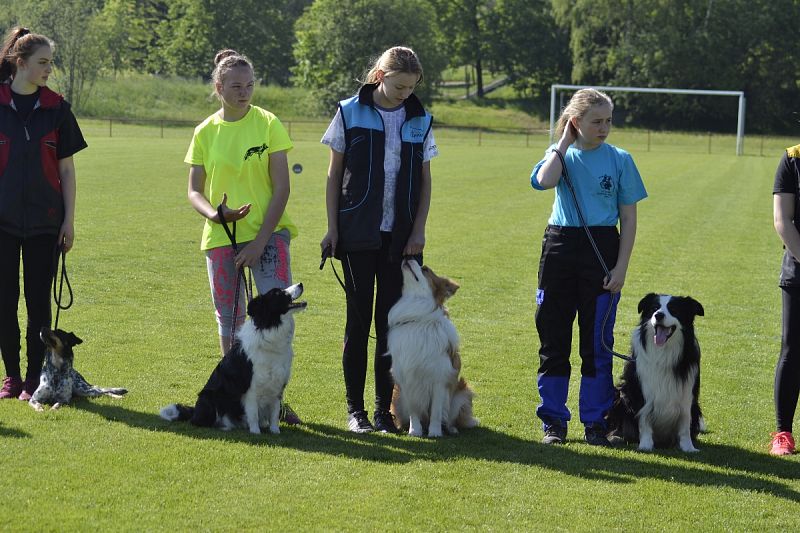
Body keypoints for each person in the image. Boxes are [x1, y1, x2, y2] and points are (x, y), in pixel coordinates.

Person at [320, 46, 438, 433]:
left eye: (411, 87)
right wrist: (333, 229)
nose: (405, 93)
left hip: (401, 239)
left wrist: (418, 230)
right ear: (379, 76)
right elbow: (334, 176)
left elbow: (424, 181)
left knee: (392, 327)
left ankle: (383, 412)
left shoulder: (421, 118)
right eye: (399, 85)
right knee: (358, 325)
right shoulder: (348, 111)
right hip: (356, 235)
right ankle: (356, 412)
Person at [185, 49, 300, 424]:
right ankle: (235, 400)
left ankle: (274, 404)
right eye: (235, 86)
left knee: (281, 317)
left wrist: (259, 243)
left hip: (269, 236)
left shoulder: (268, 124)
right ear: (219, 87)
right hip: (222, 239)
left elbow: (281, 189)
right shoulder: (204, 131)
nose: (244, 92)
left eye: (249, 85)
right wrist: (215, 215)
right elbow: (194, 191)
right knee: (231, 321)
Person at [529, 88, 647, 446]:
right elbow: (543, 181)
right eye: (596, 121)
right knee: (554, 340)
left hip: (602, 250)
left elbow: (628, 218)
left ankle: (595, 422)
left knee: (596, 343)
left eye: (608, 120)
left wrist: (622, 267)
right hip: (560, 248)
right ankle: (554, 422)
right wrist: (563, 142)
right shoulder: (559, 156)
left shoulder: (620, 159)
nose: (604, 128)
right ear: (576, 122)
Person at [0, 27, 87, 400]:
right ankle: (12, 378)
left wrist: (68, 220)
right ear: (20, 64)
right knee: (4, 302)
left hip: (45, 224)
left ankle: (35, 378)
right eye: (42, 62)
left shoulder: (57, 109)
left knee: (38, 304)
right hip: (1, 224)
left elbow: (66, 171)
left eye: (51, 62)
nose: (49, 69)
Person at [771, 142, 800, 456]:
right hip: (799, 271)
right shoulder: (793, 158)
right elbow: (783, 220)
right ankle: (783, 434)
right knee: (793, 349)